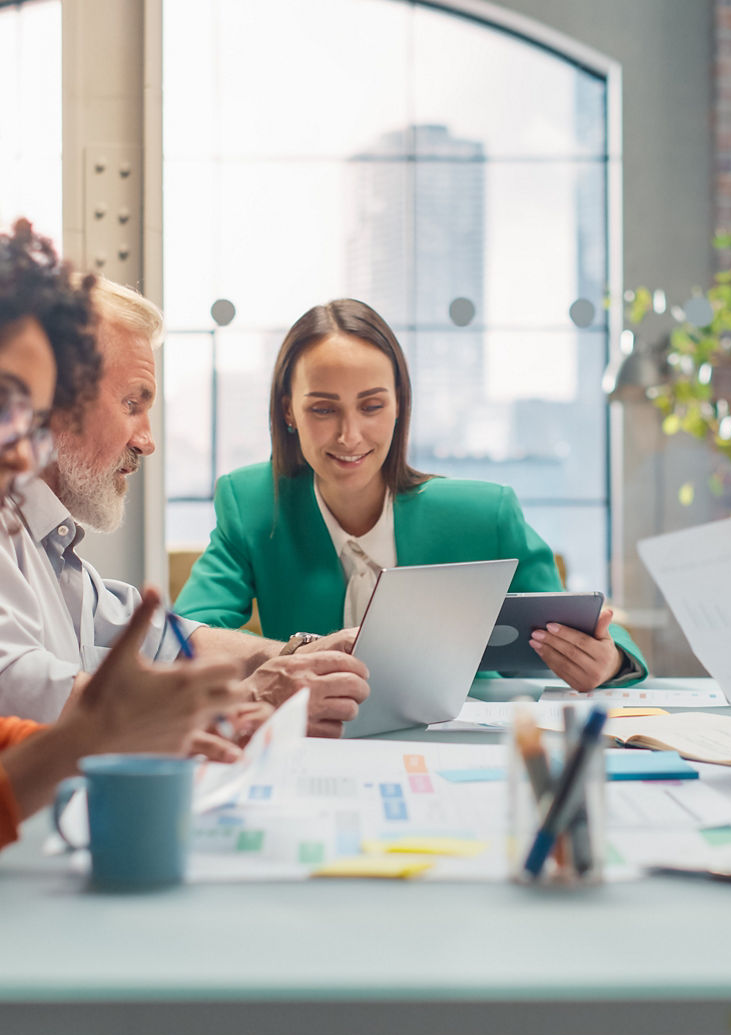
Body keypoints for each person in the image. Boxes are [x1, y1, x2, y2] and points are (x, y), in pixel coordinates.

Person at [175, 298, 647, 692]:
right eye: (323, 409)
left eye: (372, 406)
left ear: (399, 404)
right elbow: (186, 635)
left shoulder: (483, 514)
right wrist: (290, 659)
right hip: (318, 741)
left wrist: (607, 663)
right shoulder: (252, 503)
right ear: (289, 412)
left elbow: (593, 627)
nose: (350, 435)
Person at [0, 273, 369, 737]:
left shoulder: (47, 542)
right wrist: (251, 698)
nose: (147, 441)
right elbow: (20, 688)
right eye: (132, 403)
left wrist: (293, 659)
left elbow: (163, 642)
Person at [0, 219, 246, 851]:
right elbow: (16, 679)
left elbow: (10, 733)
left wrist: (284, 661)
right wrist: (112, 728)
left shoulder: (41, 532)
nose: (27, 443)